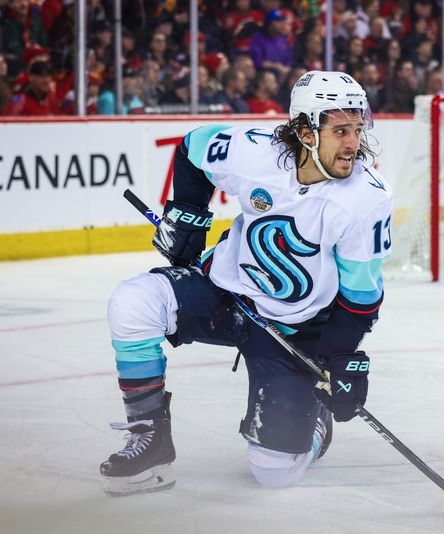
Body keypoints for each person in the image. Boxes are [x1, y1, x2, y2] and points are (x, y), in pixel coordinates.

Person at [100, 71, 393, 495]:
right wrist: (188, 218)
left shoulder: (365, 199)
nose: (353, 144)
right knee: (133, 302)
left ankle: (313, 424)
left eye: (357, 129)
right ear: (305, 131)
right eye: (340, 130)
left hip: (292, 327)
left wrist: (336, 358)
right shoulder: (254, 153)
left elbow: (361, 300)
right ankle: (149, 440)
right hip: (224, 294)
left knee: (274, 472)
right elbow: (192, 148)